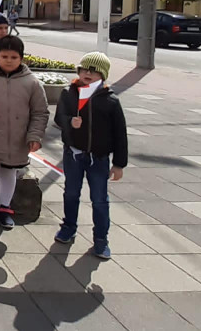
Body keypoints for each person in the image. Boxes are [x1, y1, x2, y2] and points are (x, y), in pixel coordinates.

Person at [0, 35, 49, 230]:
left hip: (18, 140)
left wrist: (35, 136)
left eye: (14, 57)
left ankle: (5, 208)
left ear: (21, 58)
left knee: (8, 173)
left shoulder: (32, 83)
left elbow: (40, 112)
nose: (9, 61)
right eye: (4, 56)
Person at [54, 52, 127, 260]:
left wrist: (119, 163)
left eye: (94, 71)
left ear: (102, 75)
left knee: (99, 199)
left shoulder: (110, 100)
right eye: (84, 69)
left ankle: (101, 239)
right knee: (71, 193)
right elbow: (59, 117)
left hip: (99, 158)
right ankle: (68, 227)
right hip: (74, 154)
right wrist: (69, 122)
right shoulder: (69, 93)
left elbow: (120, 134)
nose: (88, 73)